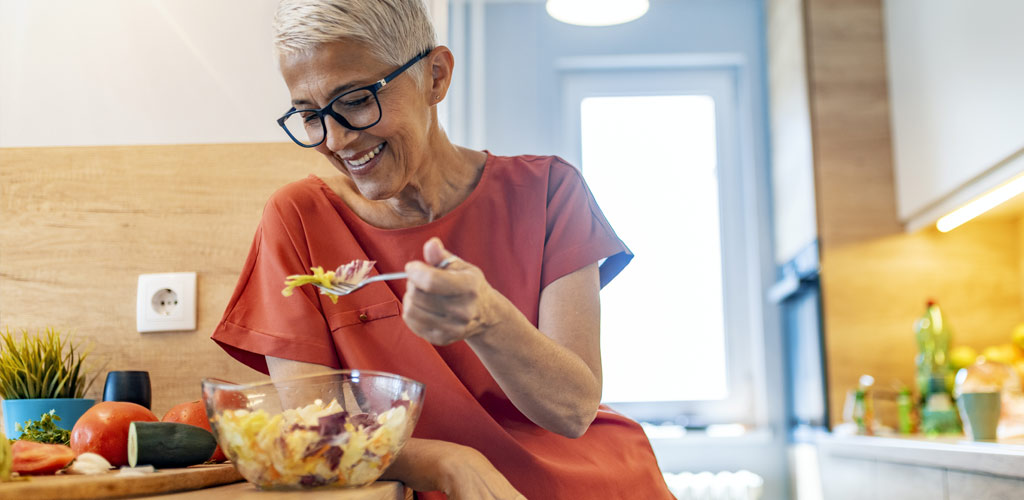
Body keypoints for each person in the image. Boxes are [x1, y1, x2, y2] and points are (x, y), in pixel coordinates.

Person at [210, 1, 675, 498]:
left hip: (596, 479)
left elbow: (573, 411)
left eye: (357, 100)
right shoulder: (299, 218)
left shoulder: (549, 190)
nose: (337, 138)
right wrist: (444, 461)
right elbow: (318, 433)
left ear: (435, 76)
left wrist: (488, 319)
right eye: (310, 115)